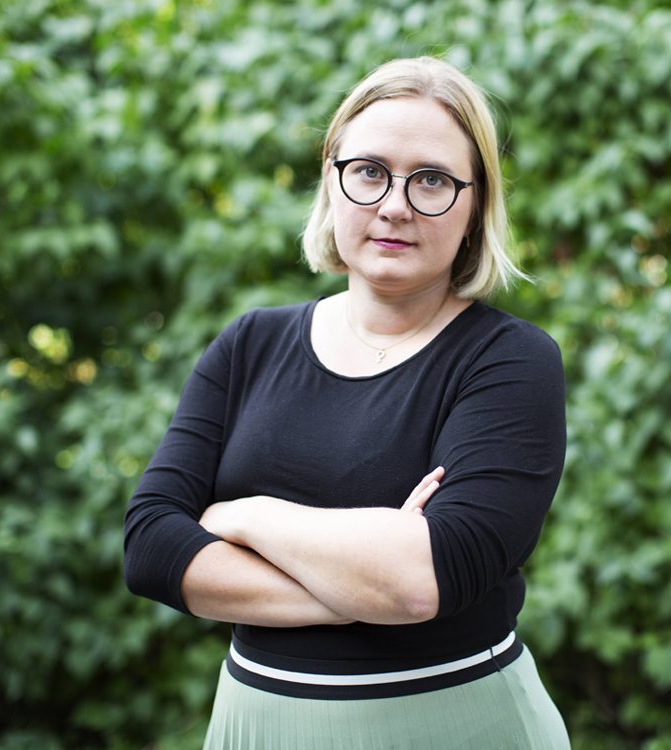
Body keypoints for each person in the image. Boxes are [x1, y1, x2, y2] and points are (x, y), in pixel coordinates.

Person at [123, 56, 570, 749]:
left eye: (431, 179)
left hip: (456, 725)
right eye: (369, 171)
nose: (394, 205)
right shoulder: (250, 344)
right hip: (255, 727)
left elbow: (422, 581)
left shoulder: (510, 361)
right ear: (332, 179)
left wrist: (242, 516)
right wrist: (366, 582)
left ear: (475, 203)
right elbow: (152, 548)